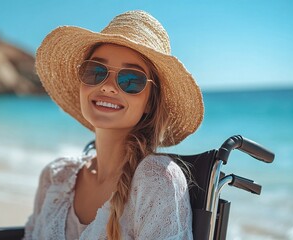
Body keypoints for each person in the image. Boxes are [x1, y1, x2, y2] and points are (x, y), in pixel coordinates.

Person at [25, 10, 203, 240]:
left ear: (149, 101)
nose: (108, 87)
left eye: (131, 80)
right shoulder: (55, 177)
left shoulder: (157, 180)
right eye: (95, 71)